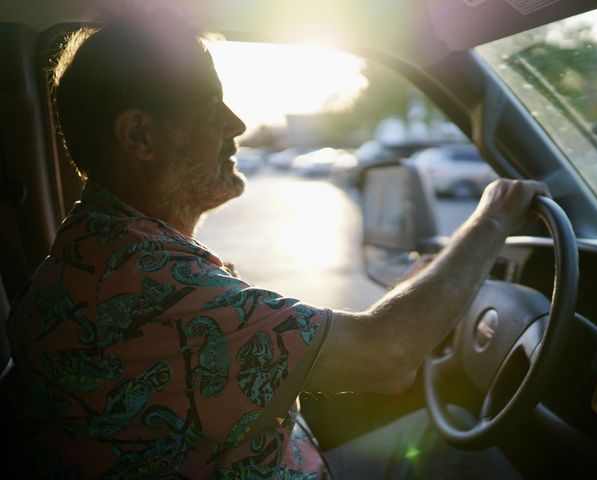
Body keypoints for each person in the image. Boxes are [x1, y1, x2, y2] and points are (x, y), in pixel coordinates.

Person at [2, 9, 548, 479]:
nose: (236, 124)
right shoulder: (145, 286)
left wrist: (409, 295)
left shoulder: (96, 253)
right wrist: (494, 215)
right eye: (210, 103)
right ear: (140, 135)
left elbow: (261, 347)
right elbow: (388, 355)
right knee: (480, 460)